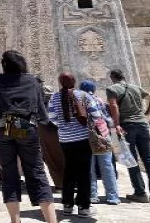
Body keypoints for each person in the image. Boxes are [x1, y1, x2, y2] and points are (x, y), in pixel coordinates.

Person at [0, 50, 58, 223]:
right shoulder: (31, 80)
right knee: (35, 171)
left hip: (1, 126)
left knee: (9, 173)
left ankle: (15, 220)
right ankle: (51, 220)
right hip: (22, 123)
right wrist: (43, 120)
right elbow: (39, 105)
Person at [48, 73, 102, 217]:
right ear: (74, 81)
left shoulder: (54, 97)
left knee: (69, 170)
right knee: (84, 172)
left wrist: (65, 128)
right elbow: (96, 115)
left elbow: (52, 119)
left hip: (65, 140)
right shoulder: (83, 95)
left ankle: (67, 205)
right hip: (83, 138)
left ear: (59, 82)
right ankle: (84, 207)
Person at [106, 69, 150, 203]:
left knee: (131, 159)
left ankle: (140, 193)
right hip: (142, 124)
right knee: (148, 158)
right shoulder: (135, 87)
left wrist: (116, 124)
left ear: (112, 78)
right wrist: (147, 113)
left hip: (127, 125)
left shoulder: (112, 88)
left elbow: (113, 106)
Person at [79, 80, 120, 205]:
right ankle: (112, 196)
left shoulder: (80, 101)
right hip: (103, 135)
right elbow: (106, 118)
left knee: (89, 167)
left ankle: (92, 195)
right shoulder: (100, 101)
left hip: (86, 136)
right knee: (107, 166)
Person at [36, 80, 65, 190]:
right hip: (60, 133)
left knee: (51, 160)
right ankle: (68, 183)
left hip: (45, 132)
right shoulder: (58, 102)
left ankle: (59, 184)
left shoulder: (39, 103)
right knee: (63, 157)